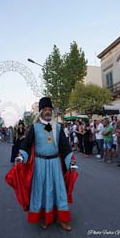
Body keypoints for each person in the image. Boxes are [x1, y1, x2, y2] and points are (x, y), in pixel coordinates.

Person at [13, 97, 78, 230]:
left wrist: (71, 162)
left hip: (55, 164)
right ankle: (45, 217)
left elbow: (65, 147)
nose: (48, 112)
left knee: (59, 191)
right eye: (45, 110)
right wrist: (20, 157)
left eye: (50, 109)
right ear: (41, 112)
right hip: (40, 164)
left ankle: (62, 218)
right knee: (41, 191)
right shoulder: (34, 127)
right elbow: (26, 145)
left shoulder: (58, 128)